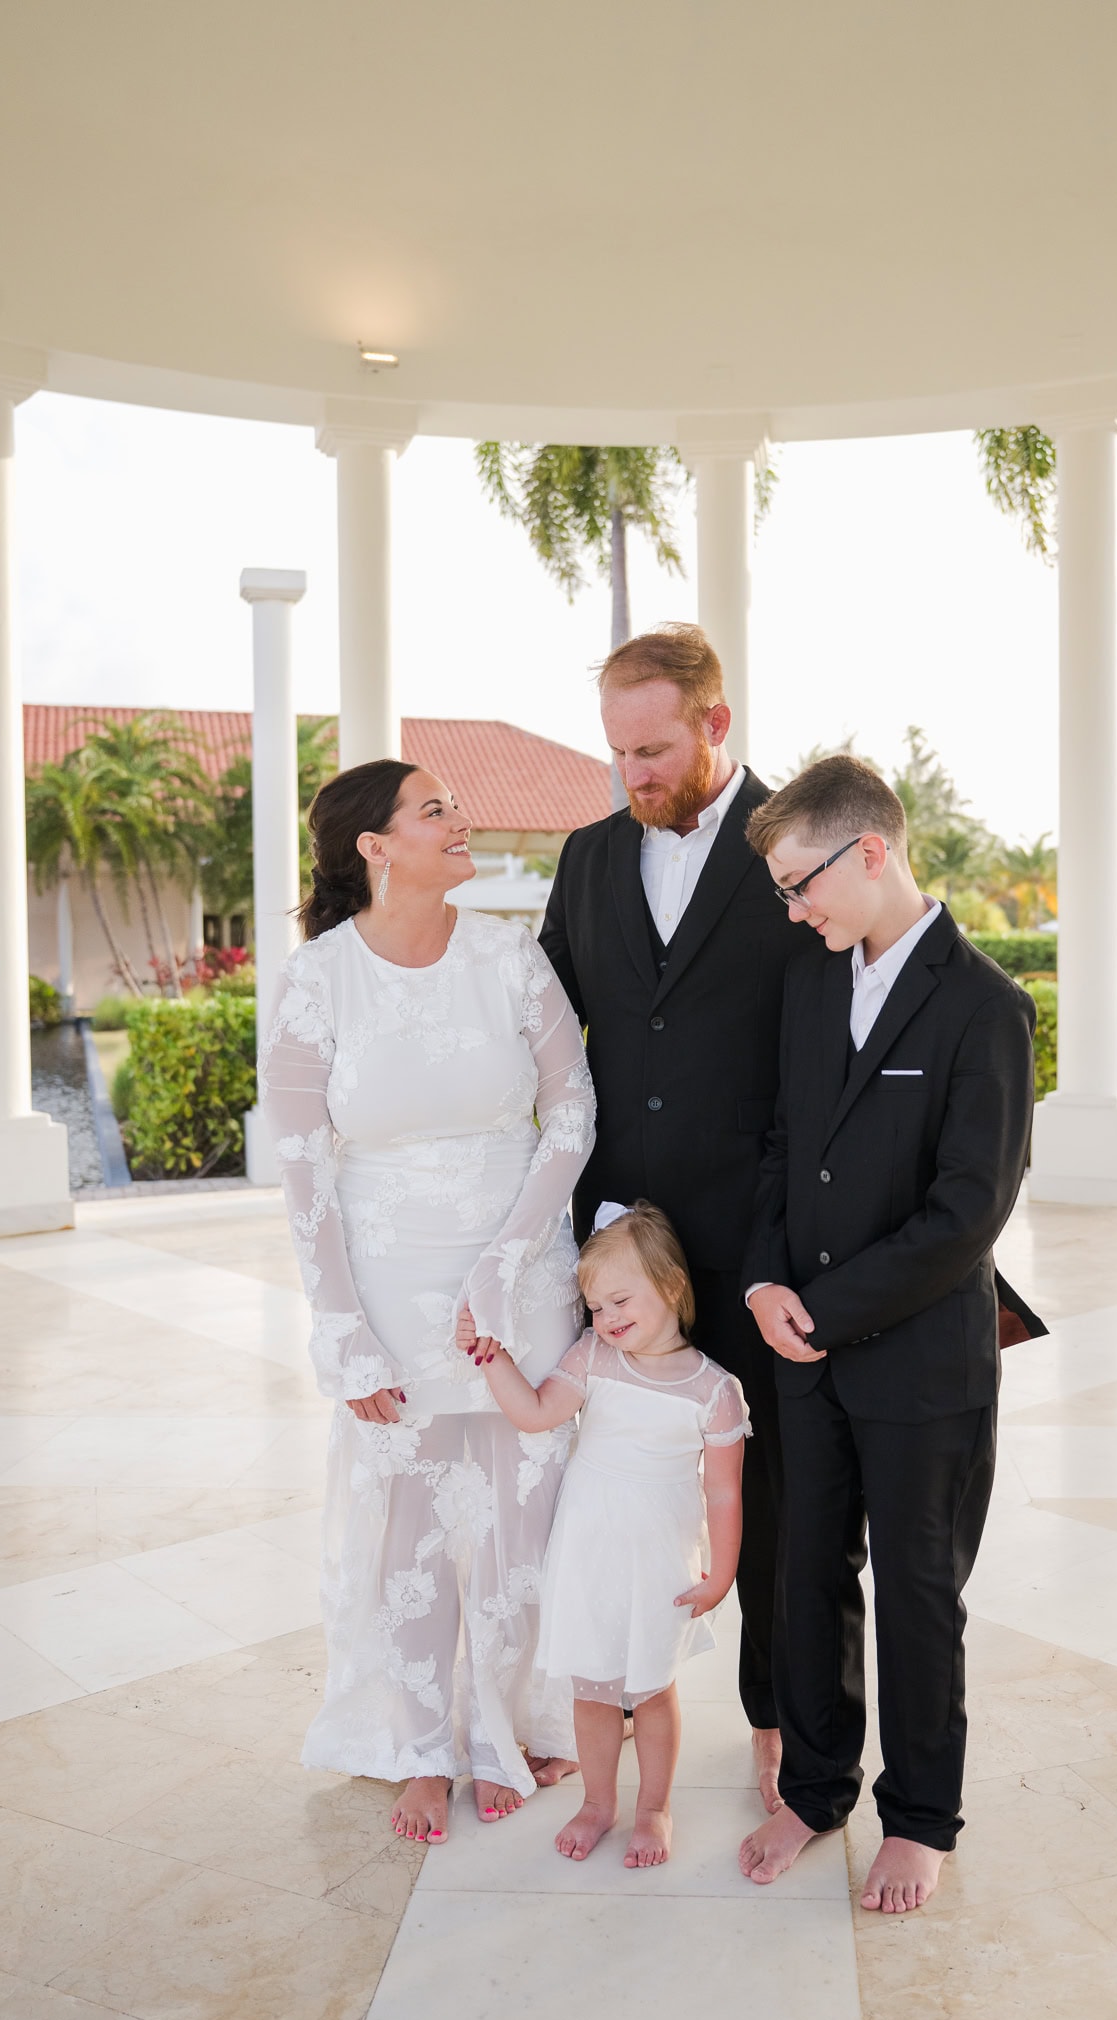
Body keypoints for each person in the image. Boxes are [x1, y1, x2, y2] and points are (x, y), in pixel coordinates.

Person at [258, 757, 593, 1848]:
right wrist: (340, 1325)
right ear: (373, 845)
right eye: (433, 809)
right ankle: (417, 1744)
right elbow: (302, 1161)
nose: (460, 819)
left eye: (454, 801)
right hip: (389, 1281)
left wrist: (507, 1260)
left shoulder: (509, 955)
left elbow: (572, 1113)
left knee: (523, 1511)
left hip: (521, 1265)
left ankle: (515, 1721)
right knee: (408, 1520)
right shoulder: (318, 977)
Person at [737, 754, 1037, 1914]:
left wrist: (828, 1308)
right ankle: (815, 1791)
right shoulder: (809, 985)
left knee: (917, 1590)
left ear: (871, 851)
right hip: (799, 1350)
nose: (793, 909)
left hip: (919, 1363)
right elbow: (776, 1146)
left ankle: (921, 1819)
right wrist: (765, 1282)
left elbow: (969, 1213)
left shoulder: (985, 1006)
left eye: (801, 882)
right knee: (807, 1573)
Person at [539, 624, 807, 1813]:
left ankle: (778, 1719)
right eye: (618, 754)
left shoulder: (797, 853)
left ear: (715, 725)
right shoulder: (589, 857)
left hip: (758, 1240)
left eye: (652, 749)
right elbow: (550, 1041)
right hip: (619, 1256)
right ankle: (598, 1705)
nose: (633, 776)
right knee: (608, 1496)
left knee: (785, 1499)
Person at [458, 1199, 749, 1869]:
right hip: (586, 1558)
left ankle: (653, 1808)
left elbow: (723, 1489)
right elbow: (533, 1414)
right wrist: (489, 1354)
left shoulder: (714, 1390)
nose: (608, 1318)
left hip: (659, 1568)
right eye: (595, 1307)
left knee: (649, 1690)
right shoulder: (593, 1359)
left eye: (621, 1300)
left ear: (670, 1287)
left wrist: (721, 1571)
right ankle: (596, 1802)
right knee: (590, 1693)